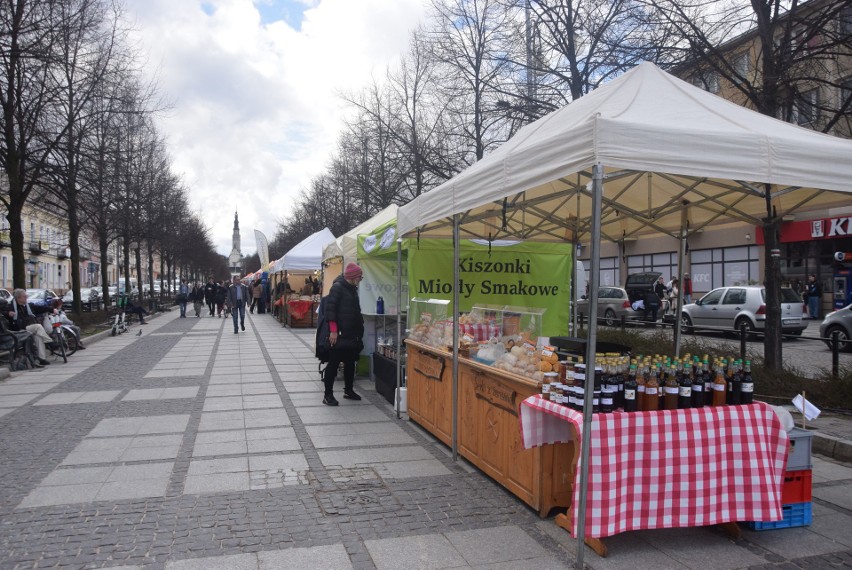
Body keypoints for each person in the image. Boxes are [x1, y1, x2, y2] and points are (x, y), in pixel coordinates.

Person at [322, 262, 365, 406]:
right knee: (333, 364)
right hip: (339, 334)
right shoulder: (337, 288)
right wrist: (333, 331)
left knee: (350, 363)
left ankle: (349, 390)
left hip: (351, 334)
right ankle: (328, 395)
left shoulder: (352, 288)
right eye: (360, 276)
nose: (361, 279)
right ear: (352, 277)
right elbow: (330, 310)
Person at [6, 289, 52, 365]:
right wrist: (8, 313)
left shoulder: (28, 306)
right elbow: (2, 311)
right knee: (38, 326)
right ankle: (49, 342)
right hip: (19, 330)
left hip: (29, 328)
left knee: (38, 337)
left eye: (26, 296)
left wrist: (52, 309)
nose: (26, 298)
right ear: (18, 298)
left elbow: (41, 308)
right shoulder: (11, 307)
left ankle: (42, 358)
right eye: (24, 296)